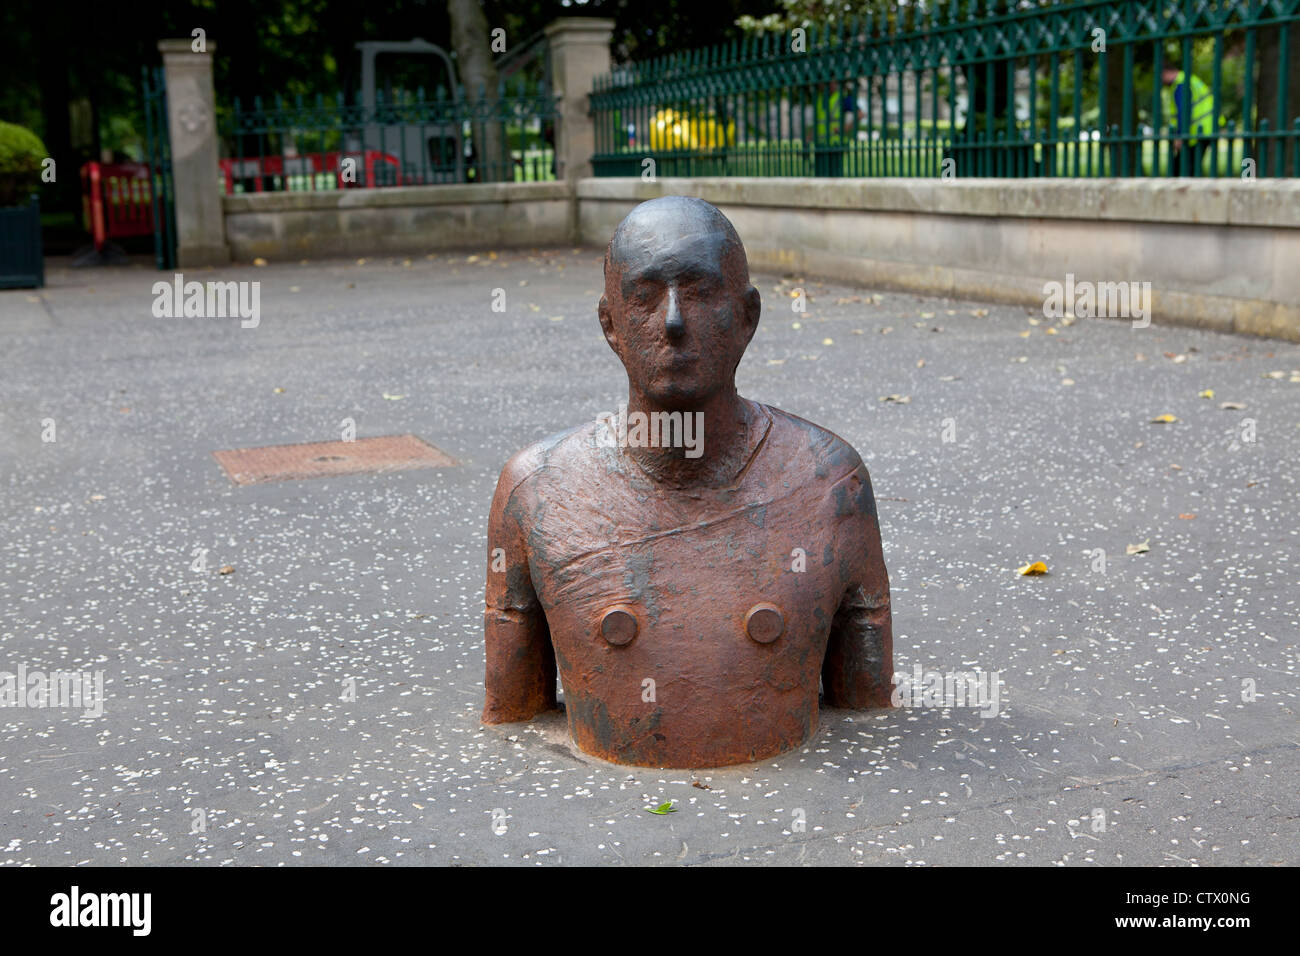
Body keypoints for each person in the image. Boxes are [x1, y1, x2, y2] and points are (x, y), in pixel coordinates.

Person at [481, 196, 893, 767]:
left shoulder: (830, 481)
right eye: (645, 297)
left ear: (747, 317)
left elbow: (865, 700)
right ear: (610, 324)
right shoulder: (536, 490)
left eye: (700, 293)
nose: (673, 321)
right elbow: (513, 704)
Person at [1161, 65, 1215, 176]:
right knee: (1187, 168)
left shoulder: (1181, 84)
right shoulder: (1189, 79)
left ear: (1165, 72)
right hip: (1204, 130)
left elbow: (1184, 111)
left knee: (1182, 170)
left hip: (1196, 132)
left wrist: (1180, 136)